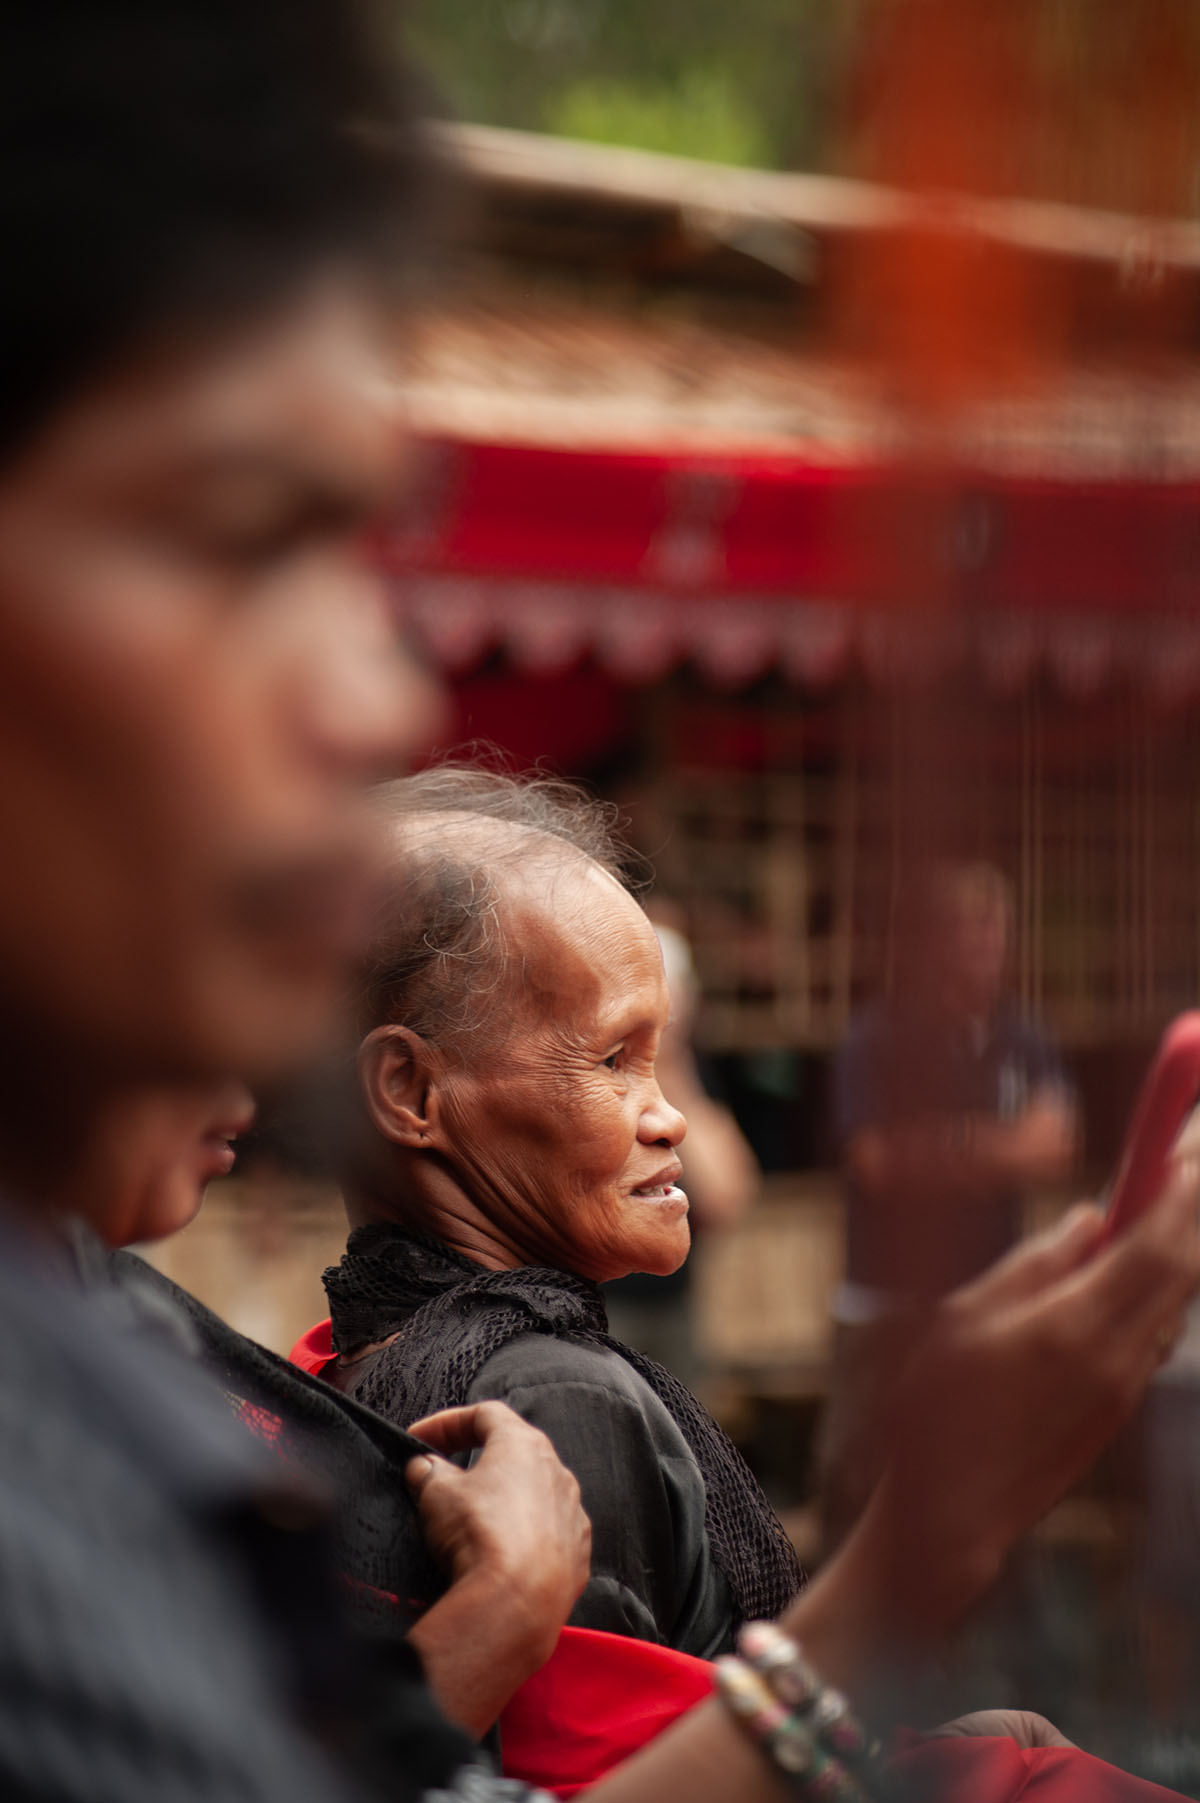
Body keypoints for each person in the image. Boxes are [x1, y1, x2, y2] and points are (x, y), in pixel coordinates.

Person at [2, 2, 1198, 1798]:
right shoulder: (532, 1416)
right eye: (240, 533)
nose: (378, 699)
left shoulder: (122, 1373)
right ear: (410, 1091)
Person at [819, 861, 1080, 1552]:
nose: (983, 945)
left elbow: (1055, 1146)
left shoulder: (1024, 1034)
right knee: (865, 1491)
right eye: (966, 929)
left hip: (992, 1295)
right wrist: (998, 1146)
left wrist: (947, 1146)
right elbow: (875, 1159)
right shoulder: (880, 1036)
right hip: (886, 1303)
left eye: (994, 928)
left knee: (989, 1491)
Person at [603, 898, 758, 1391]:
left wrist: (671, 1067)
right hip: (598, 1306)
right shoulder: (589, 1070)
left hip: (674, 1304)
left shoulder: (688, 1072)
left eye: (679, 986)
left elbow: (728, 1196)